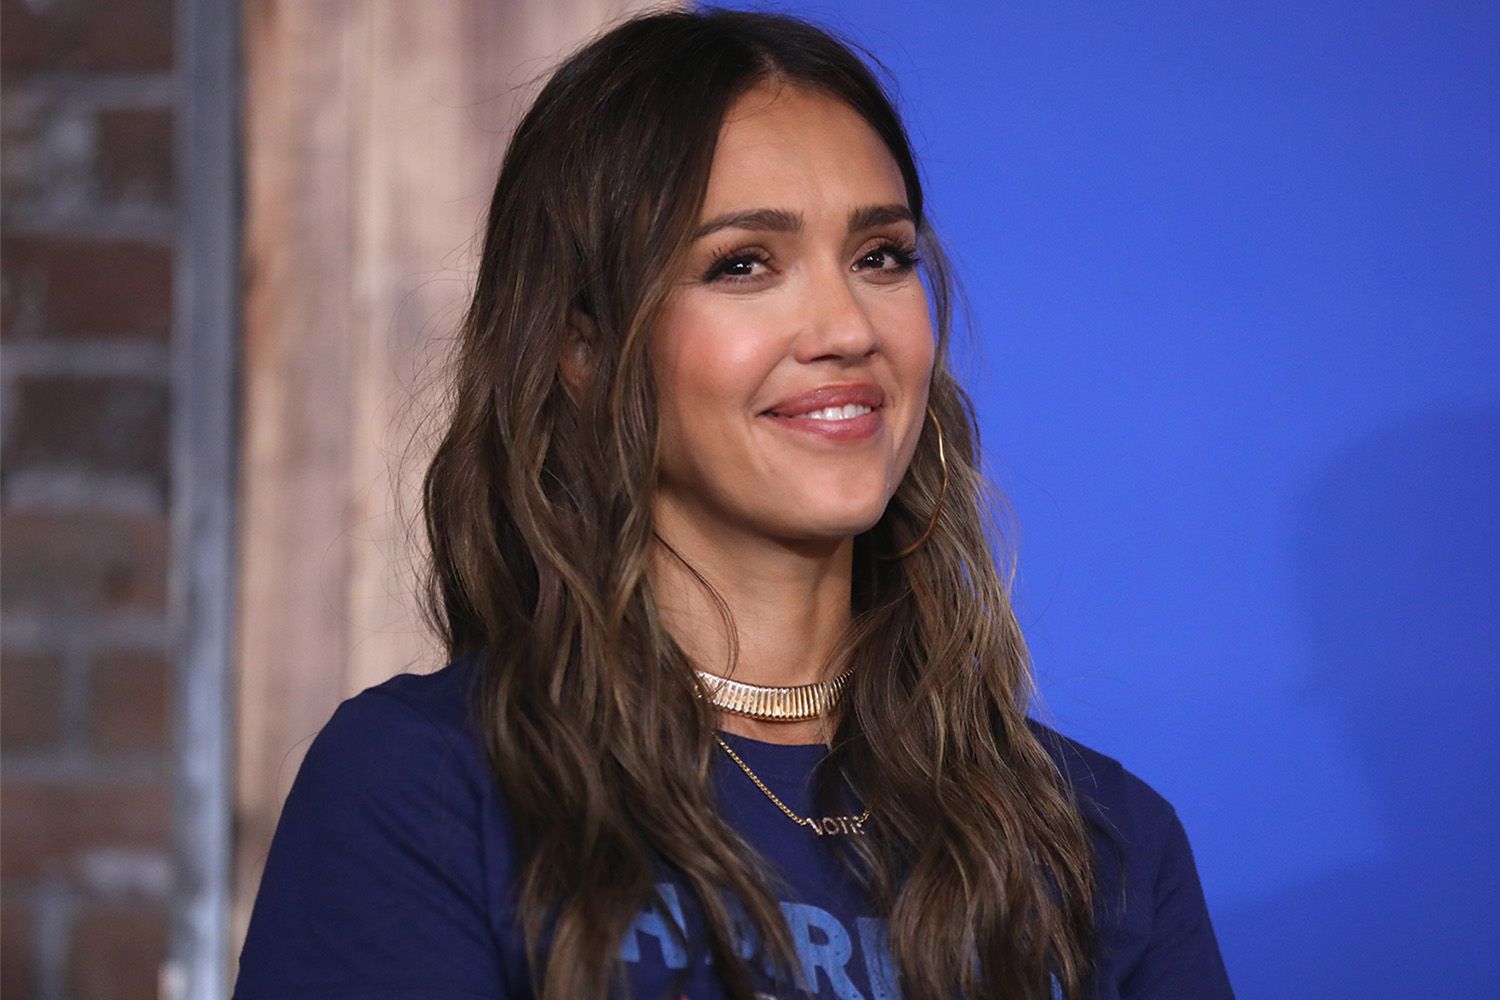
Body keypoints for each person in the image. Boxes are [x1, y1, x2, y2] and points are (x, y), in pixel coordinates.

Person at [232, 8, 1235, 999]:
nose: (847, 327)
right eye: (743, 264)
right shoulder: (429, 789)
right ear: (583, 347)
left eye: (880, 255)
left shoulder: (1101, 842)